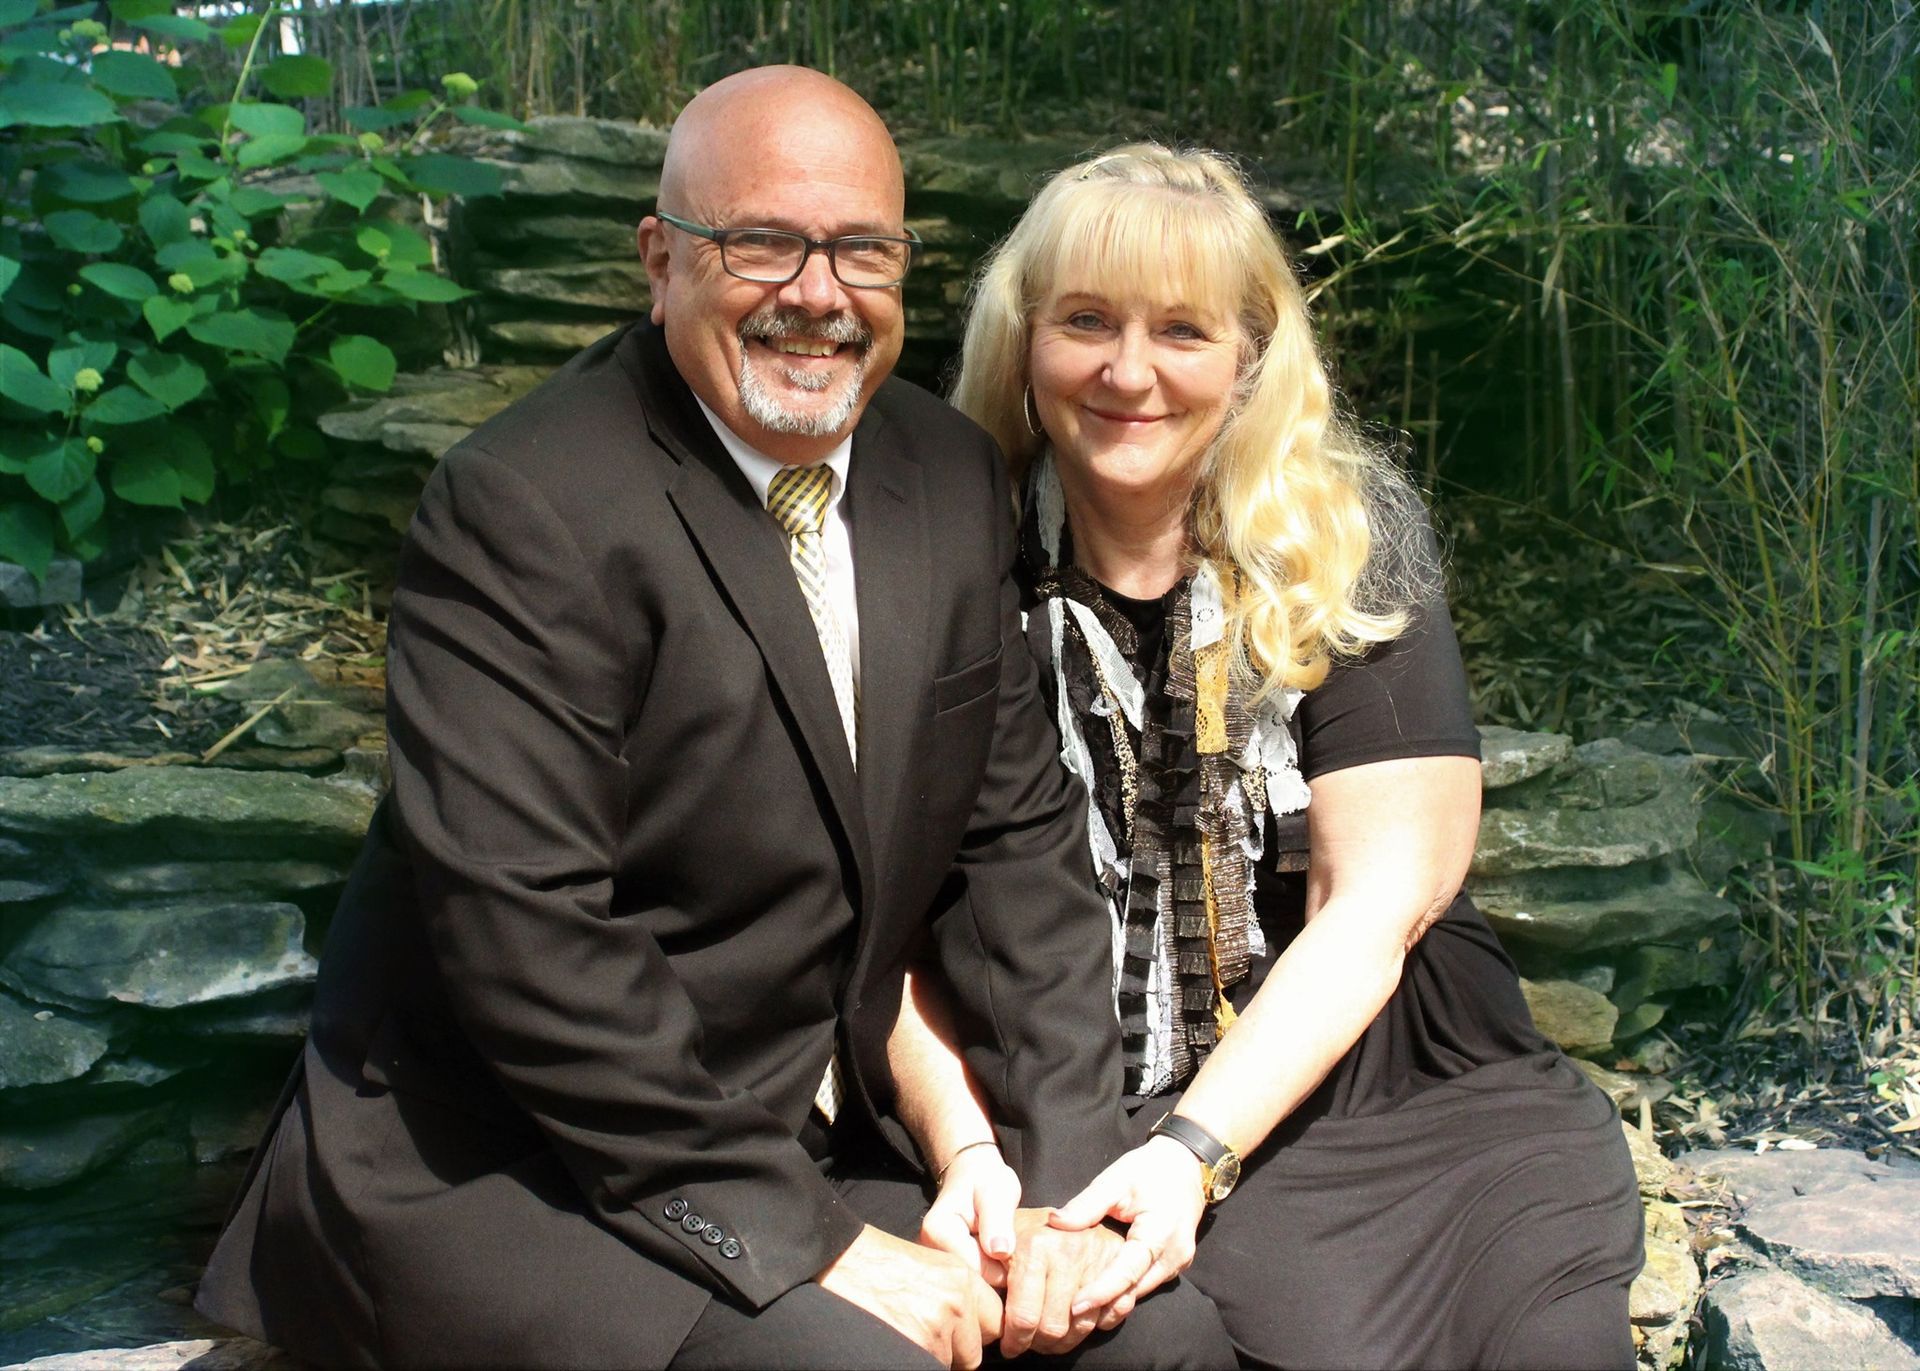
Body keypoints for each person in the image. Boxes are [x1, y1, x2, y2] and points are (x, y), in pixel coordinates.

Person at [193, 75, 1233, 1371]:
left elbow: (1017, 854)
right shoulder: (525, 505)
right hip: (521, 1163)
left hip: (811, 1129)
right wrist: (816, 1243)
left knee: (1159, 1342)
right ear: (659, 257)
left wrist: (1053, 1181)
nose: (817, 290)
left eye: (863, 249)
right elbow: (530, 943)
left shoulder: (947, 474)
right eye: (761, 242)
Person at [911, 143, 1647, 1368]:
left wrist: (1194, 1154)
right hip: (1076, 1078)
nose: (1128, 372)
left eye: (1182, 331)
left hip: (1381, 1079)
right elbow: (885, 899)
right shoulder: (942, 544)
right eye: (1086, 321)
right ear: (1022, 340)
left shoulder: (1338, 534)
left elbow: (1377, 908)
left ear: (1250, 357)